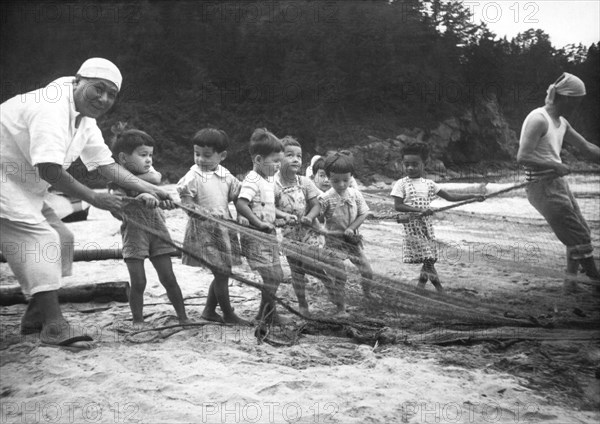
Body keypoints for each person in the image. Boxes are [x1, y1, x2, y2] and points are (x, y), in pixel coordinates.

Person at [0, 57, 172, 349]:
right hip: (6, 181)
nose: (104, 99)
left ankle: (35, 314)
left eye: (112, 94)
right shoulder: (51, 106)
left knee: (64, 238)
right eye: (98, 89)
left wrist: (152, 189)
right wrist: (94, 197)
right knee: (42, 240)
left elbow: (105, 164)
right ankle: (54, 325)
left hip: (26, 186)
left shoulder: (84, 118)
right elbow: (50, 169)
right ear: (78, 81)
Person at [517, 72, 600, 292]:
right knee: (578, 235)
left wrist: (556, 167)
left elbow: (587, 148)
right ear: (564, 97)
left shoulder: (561, 122)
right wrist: (554, 165)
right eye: (576, 101)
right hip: (540, 186)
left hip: (556, 184)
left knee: (580, 230)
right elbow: (523, 156)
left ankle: (571, 282)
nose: (578, 105)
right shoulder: (538, 119)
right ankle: (595, 281)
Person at [109, 125, 190, 327]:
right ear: (123, 158)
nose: (148, 160)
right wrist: (139, 196)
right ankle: (138, 321)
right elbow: (115, 208)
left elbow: (157, 186)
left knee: (169, 278)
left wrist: (166, 203)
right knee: (139, 282)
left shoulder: (149, 178)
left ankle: (183, 317)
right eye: (143, 155)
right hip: (134, 235)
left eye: (150, 155)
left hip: (158, 231)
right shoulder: (117, 182)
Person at [176, 128, 250, 325]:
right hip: (204, 231)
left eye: (206, 155)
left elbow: (238, 197)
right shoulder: (193, 176)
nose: (200, 159)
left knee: (222, 272)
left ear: (222, 156)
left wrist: (242, 216)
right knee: (221, 272)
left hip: (224, 228)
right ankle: (228, 314)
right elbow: (186, 204)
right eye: (196, 154)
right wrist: (204, 214)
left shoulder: (225, 175)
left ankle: (209, 310)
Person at [391, 142, 484, 293]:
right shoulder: (401, 184)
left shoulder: (429, 184)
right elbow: (398, 206)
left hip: (427, 226)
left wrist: (473, 196)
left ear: (424, 164)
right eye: (406, 164)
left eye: (414, 164)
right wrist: (419, 210)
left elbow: (450, 197)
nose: (410, 168)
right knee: (428, 259)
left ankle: (420, 289)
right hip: (413, 227)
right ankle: (440, 291)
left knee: (430, 259)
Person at [235, 128, 290, 325]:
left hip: (268, 235)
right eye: (275, 161)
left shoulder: (267, 180)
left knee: (277, 275)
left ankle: (265, 313)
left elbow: (268, 206)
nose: (278, 166)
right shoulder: (252, 180)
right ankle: (269, 315)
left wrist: (283, 215)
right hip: (256, 236)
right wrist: (258, 223)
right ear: (258, 160)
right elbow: (241, 204)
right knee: (272, 276)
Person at [274, 136, 333, 317]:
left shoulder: (304, 182)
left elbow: (316, 205)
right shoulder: (273, 184)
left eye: (298, 156)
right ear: (278, 159)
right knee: (296, 271)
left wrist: (309, 217)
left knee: (313, 265)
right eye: (289, 155)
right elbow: (270, 208)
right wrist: (283, 216)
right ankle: (303, 305)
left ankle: (332, 289)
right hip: (289, 234)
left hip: (309, 233)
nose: (295, 160)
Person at [318, 152, 373, 316]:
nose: (341, 184)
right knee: (341, 276)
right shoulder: (325, 198)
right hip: (333, 243)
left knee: (367, 270)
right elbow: (318, 217)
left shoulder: (355, 194)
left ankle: (367, 293)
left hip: (352, 242)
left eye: (345, 180)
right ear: (328, 177)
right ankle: (341, 308)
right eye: (336, 181)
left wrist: (352, 228)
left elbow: (363, 213)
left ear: (351, 177)